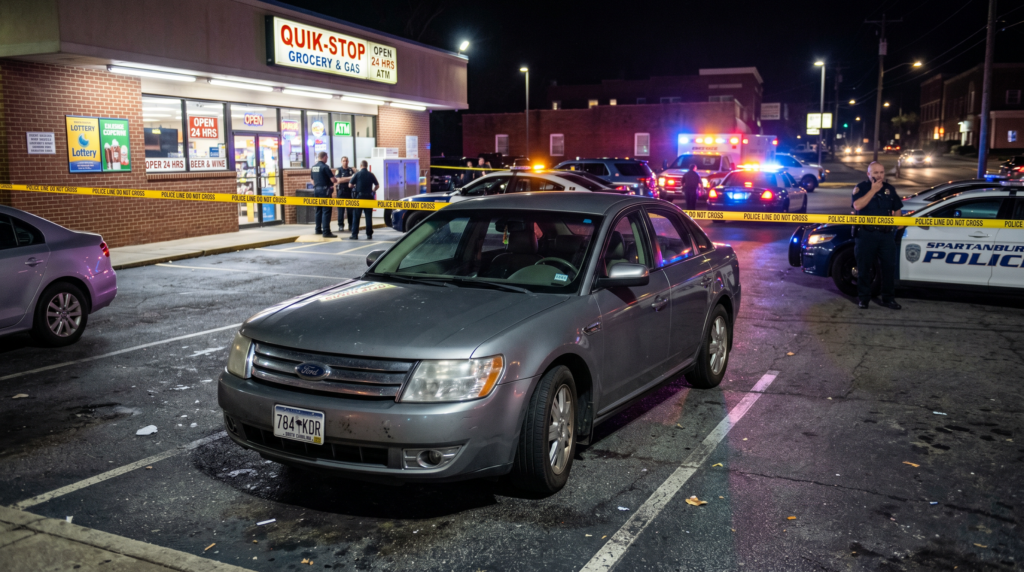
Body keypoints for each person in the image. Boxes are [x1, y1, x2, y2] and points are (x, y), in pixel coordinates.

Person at [851, 161, 904, 310]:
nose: (879, 175)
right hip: (866, 234)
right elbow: (858, 206)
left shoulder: (889, 189)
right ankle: (864, 299)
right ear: (869, 174)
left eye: (881, 172)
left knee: (888, 268)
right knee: (864, 268)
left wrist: (897, 227)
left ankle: (888, 299)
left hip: (886, 235)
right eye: (875, 173)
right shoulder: (861, 188)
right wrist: (873, 190)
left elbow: (897, 208)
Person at [348, 160, 379, 240]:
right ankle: (369, 234)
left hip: (359, 198)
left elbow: (350, 185)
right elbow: (377, 185)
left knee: (356, 216)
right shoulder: (371, 174)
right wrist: (373, 190)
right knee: (368, 216)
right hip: (369, 197)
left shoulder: (357, 174)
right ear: (366, 166)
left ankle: (354, 235)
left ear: (360, 166)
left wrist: (355, 187)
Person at [309, 152, 337, 238]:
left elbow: (311, 179)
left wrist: (316, 185)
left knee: (318, 210)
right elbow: (333, 180)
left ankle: (318, 229)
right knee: (326, 211)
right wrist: (336, 180)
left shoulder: (313, 167)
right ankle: (326, 231)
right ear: (324, 157)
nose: (327, 159)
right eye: (327, 157)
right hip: (325, 191)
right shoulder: (325, 167)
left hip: (316, 190)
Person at [335, 157, 355, 233]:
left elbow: (354, 179)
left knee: (350, 211)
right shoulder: (338, 170)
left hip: (349, 192)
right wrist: (350, 178)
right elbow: (338, 180)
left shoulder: (351, 170)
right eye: (343, 161)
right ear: (341, 162)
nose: (345, 162)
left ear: (348, 161)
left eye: (346, 161)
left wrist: (344, 179)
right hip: (341, 193)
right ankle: (340, 225)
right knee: (341, 211)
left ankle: (350, 225)